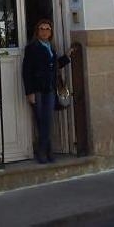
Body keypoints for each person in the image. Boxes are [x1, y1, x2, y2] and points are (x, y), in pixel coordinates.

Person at [22, 19, 71, 164]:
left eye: (48, 29)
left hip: (49, 89)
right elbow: (26, 71)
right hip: (37, 89)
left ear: (51, 32)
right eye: (42, 29)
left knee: (47, 121)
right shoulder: (32, 48)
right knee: (41, 121)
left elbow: (54, 66)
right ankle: (44, 152)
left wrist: (67, 57)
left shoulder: (51, 47)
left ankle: (46, 151)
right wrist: (29, 92)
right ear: (37, 31)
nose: (45, 31)